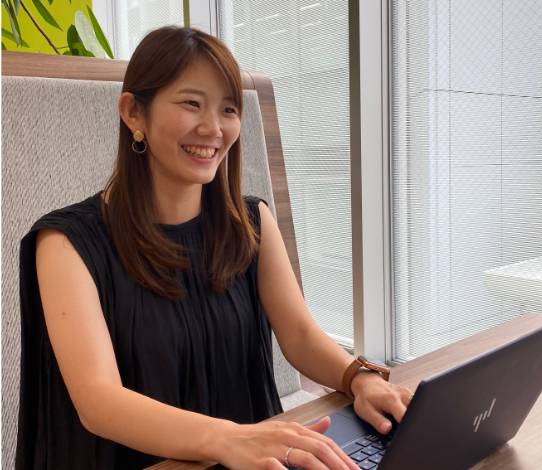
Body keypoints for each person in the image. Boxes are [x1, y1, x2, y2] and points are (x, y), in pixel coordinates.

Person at [16, 26, 413, 469]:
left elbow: (300, 335)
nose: (213, 128)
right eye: (191, 103)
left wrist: (359, 378)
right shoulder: (65, 243)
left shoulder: (250, 221)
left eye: (228, 109)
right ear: (133, 112)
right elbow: (99, 400)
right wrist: (231, 439)